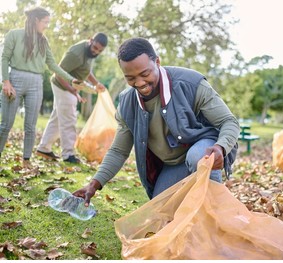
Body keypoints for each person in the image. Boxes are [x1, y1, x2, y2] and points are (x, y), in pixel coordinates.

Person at [73, 37, 240, 205]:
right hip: (173, 165)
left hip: (202, 150)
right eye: (130, 78)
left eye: (145, 74)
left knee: (198, 157)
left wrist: (221, 147)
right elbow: (118, 151)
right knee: (159, 212)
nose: (139, 83)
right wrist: (94, 184)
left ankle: (214, 212)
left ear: (157, 62)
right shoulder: (127, 103)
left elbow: (229, 121)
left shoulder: (191, 83)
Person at [0, 7, 78, 168]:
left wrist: (71, 79)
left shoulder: (43, 41)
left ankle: (26, 160)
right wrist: (6, 81)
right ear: (36, 20)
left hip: (36, 83)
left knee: (30, 125)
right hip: (15, 79)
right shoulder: (14, 34)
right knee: (6, 124)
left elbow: (52, 65)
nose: (47, 25)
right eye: (45, 22)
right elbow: (4, 58)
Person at [36, 33, 108, 164]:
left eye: (99, 50)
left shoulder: (89, 53)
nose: (96, 51)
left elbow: (85, 70)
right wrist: (73, 91)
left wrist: (96, 83)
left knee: (57, 118)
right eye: (95, 47)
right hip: (62, 85)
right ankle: (68, 154)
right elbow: (57, 73)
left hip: (71, 85)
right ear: (90, 40)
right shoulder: (76, 53)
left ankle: (44, 148)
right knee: (69, 119)